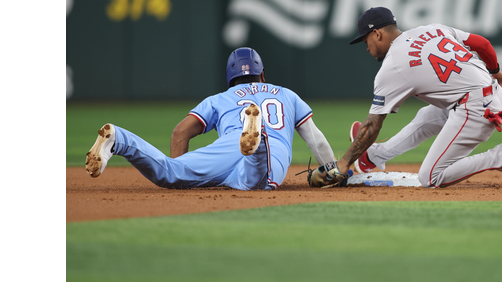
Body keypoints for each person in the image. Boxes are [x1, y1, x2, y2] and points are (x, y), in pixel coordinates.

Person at [313, 7, 502, 189]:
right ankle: (373, 156)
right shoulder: (432, 29)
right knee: (426, 116)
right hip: (491, 94)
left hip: (476, 109)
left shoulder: (393, 66)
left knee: (431, 177)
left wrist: (343, 163)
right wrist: (496, 70)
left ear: (377, 34)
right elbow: (482, 44)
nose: (367, 48)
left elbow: (372, 125)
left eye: (366, 41)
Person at [85, 47, 337, 191]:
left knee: (170, 173)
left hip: (227, 146)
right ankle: (258, 142)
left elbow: (179, 133)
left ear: (230, 78)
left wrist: (182, 176)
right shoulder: (286, 94)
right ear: (263, 75)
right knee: (256, 182)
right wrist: (332, 170)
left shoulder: (220, 98)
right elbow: (317, 141)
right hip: (272, 148)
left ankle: (119, 138)